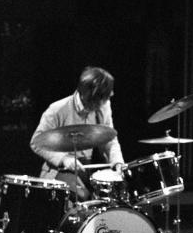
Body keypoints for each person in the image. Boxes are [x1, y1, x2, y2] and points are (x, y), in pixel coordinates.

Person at [30, 66, 126, 201]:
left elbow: (110, 139)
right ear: (91, 96)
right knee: (83, 198)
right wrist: (64, 159)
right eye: (103, 98)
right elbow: (36, 143)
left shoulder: (104, 106)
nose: (108, 99)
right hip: (57, 171)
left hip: (84, 172)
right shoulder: (57, 110)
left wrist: (117, 162)